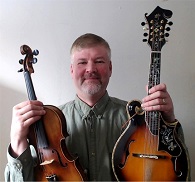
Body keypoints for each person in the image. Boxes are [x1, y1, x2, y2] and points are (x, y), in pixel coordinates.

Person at [5, 33, 190, 181]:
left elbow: (175, 173)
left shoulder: (138, 119)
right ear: (71, 70)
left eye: (99, 61)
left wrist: (169, 121)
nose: (90, 69)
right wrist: (17, 140)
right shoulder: (48, 123)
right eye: (82, 62)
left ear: (110, 68)